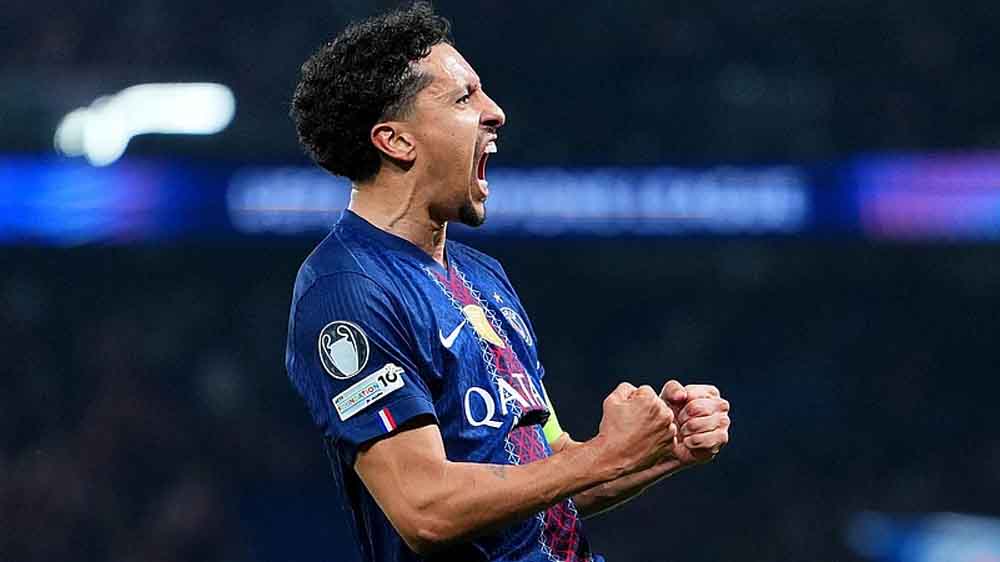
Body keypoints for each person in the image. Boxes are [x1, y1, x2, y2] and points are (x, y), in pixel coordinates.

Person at [284, 3, 731, 561]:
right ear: (396, 140)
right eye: (463, 98)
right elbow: (425, 508)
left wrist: (660, 451)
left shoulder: (482, 276)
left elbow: (550, 478)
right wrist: (606, 455)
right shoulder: (349, 288)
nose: (495, 112)